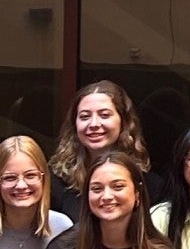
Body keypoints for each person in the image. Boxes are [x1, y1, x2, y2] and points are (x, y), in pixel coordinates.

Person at [50, 79, 150, 211]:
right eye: (85, 116)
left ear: (123, 121)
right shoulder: (54, 182)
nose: (94, 124)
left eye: (104, 115)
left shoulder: (148, 184)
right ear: (74, 124)